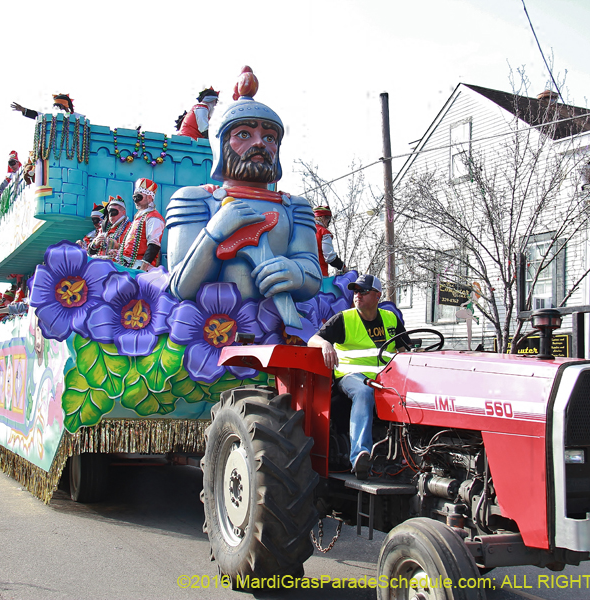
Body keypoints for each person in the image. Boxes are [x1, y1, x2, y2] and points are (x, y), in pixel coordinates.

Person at [166, 67, 321, 313]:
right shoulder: (195, 200)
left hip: (279, 328)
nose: (260, 143)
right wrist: (214, 234)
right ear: (221, 143)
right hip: (211, 332)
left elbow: (313, 274)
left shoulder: (295, 207)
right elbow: (181, 287)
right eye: (244, 134)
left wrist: (298, 273)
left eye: (270, 137)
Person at [307, 274, 409, 480]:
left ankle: (409, 456)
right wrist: (325, 344)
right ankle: (360, 455)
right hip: (351, 376)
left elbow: (405, 351)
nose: (357, 295)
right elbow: (313, 339)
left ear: (377, 295)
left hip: (385, 380)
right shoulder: (344, 319)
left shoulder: (391, 319)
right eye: (355, 291)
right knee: (364, 391)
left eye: (363, 291)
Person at [116, 178, 165, 270]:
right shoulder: (139, 216)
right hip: (126, 263)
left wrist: (143, 268)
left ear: (150, 198)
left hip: (138, 266)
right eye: (134, 197)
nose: (136, 201)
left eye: (139, 197)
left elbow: (154, 244)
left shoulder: (153, 217)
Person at [314, 206, 345, 277]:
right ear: (323, 218)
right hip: (319, 274)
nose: (328, 223)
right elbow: (330, 257)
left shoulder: (305, 230)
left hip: (302, 274)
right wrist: (343, 267)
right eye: (329, 220)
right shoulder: (323, 232)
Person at [11, 93, 83, 121]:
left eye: (59, 106)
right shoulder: (52, 116)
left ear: (65, 107)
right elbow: (37, 115)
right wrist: (23, 110)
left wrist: (67, 113)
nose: (57, 108)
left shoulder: (77, 116)